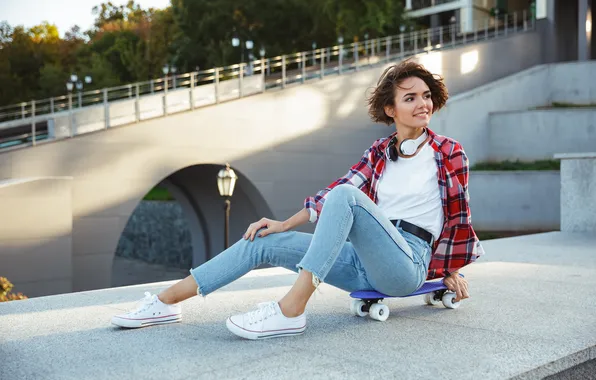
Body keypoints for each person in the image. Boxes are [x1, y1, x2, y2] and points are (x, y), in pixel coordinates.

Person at [111, 59, 485, 339]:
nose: (423, 103)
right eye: (410, 98)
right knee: (265, 241)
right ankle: (164, 303)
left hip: (407, 262)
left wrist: (447, 271)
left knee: (347, 196)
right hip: (363, 259)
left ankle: (291, 310)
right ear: (391, 109)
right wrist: (283, 223)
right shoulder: (379, 153)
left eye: (425, 96)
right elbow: (335, 193)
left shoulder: (448, 153)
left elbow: (457, 219)